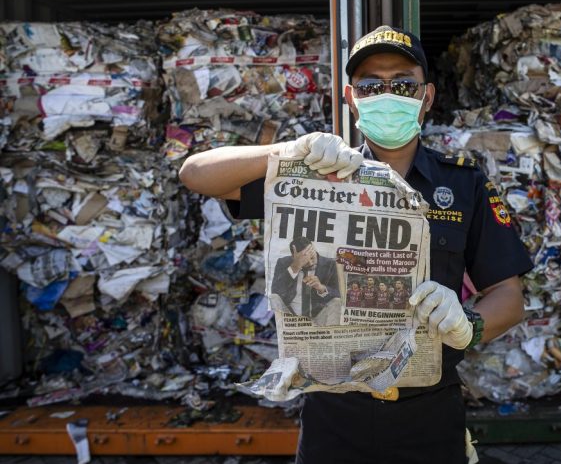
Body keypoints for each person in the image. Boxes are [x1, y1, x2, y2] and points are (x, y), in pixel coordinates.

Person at [179, 25, 533, 464]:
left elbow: (509, 296)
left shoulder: (463, 183)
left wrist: (468, 325)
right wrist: (291, 150)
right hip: (334, 416)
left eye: (402, 83)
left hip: (429, 414)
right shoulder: (314, 173)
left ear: (426, 96)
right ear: (351, 98)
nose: (387, 94)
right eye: (371, 85)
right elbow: (196, 174)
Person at [271, 236, 339, 319]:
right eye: (305, 261)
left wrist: (321, 288)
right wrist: (295, 267)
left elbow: (339, 295)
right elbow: (275, 292)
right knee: (274, 297)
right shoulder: (283, 262)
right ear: (294, 257)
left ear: (314, 249)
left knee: (337, 302)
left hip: (320, 317)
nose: (310, 263)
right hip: (291, 316)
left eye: (312, 258)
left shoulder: (331, 264)